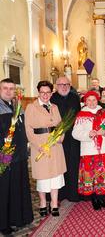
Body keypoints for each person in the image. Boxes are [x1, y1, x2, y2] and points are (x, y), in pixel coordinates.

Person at [25, 81, 66, 217]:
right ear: (38, 92)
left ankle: (54, 204)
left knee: (55, 176)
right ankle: (43, 202)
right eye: (42, 92)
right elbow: (28, 129)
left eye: (48, 92)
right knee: (42, 177)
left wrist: (60, 137)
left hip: (55, 146)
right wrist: (39, 145)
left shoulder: (55, 106)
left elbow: (61, 125)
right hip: (41, 146)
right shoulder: (31, 107)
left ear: (51, 93)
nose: (45, 95)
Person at [72, 91, 105, 210]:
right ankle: (94, 199)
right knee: (91, 176)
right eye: (89, 100)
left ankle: (101, 197)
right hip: (88, 150)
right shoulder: (81, 115)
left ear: (98, 101)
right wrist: (88, 134)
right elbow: (75, 133)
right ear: (85, 101)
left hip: (103, 150)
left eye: (94, 100)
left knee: (102, 175)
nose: (91, 102)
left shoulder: (104, 113)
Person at [0, 78, 33, 235]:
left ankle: (17, 218)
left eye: (11, 88)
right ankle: (3, 224)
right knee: (4, 190)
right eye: (5, 88)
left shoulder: (17, 106)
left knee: (17, 188)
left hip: (19, 155)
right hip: (4, 157)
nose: (8, 91)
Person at [50, 76, 81, 202]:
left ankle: (73, 193)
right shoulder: (52, 99)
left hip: (73, 136)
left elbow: (79, 115)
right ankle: (60, 194)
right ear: (56, 86)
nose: (64, 86)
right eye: (61, 84)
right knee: (59, 165)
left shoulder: (75, 97)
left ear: (70, 85)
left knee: (73, 164)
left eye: (66, 84)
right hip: (58, 137)